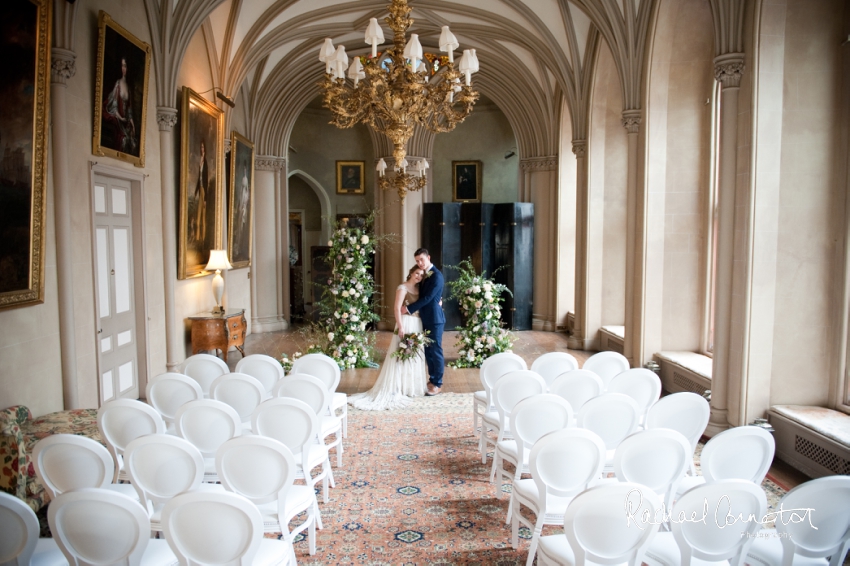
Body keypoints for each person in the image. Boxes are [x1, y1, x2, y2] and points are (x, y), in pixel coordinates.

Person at [348, 265, 428, 410]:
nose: (418, 277)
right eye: (417, 273)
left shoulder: (419, 289)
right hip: (406, 323)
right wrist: (401, 326)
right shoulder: (402, 288)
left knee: (414, 354)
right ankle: (397, 387)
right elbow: (396, 308)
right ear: (411, 272)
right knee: (401, 354)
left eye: (421, 275)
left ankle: (409, 388)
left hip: (417, 323)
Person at [403, 248, 446, 396]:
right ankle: (432, 379)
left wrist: (408, 309)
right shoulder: (424, 275)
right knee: (428, 351)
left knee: (435, 351)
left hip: (435, 319)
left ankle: (437, 383)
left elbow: (427, 298)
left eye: (421, 259)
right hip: (425, 318)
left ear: (428, 257)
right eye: (417, 261)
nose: (419, 263)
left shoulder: (437, 276)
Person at [102, 57, 137, 155]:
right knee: (124, 140)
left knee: (133, 142)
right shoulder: (118, 84)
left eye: (125, 66)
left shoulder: (129, 88)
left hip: (125, 120)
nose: (123, 68)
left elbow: (129, 109)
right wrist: (121, 118)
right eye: (122, 65)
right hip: (118, 116)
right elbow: (114, 105)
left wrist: (132, 123)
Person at [193, 140, 209, 244]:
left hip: (204, 190)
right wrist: (195, 192)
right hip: (200, 190)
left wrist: (205, 199)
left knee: (203, 214)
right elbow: (199, 179)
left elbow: (205, 180)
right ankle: (198, 237)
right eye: (201, 147)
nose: (202, 149)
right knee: (198, 214)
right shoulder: (201, 161)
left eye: (203, 147)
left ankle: (203, 238)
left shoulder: (205, 163)